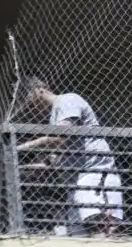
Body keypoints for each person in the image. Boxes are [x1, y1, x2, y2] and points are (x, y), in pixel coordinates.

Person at [17, 77, 123, 237]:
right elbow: (53, 159)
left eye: (30, 103)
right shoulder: (54, 117)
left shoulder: (68, 101)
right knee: (78, 238)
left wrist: (21, 147)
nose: (31, 109)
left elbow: (61, 136)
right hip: (76, 183)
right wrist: (21, 168)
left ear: (39, 91)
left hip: (94, 176)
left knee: (100, 231)